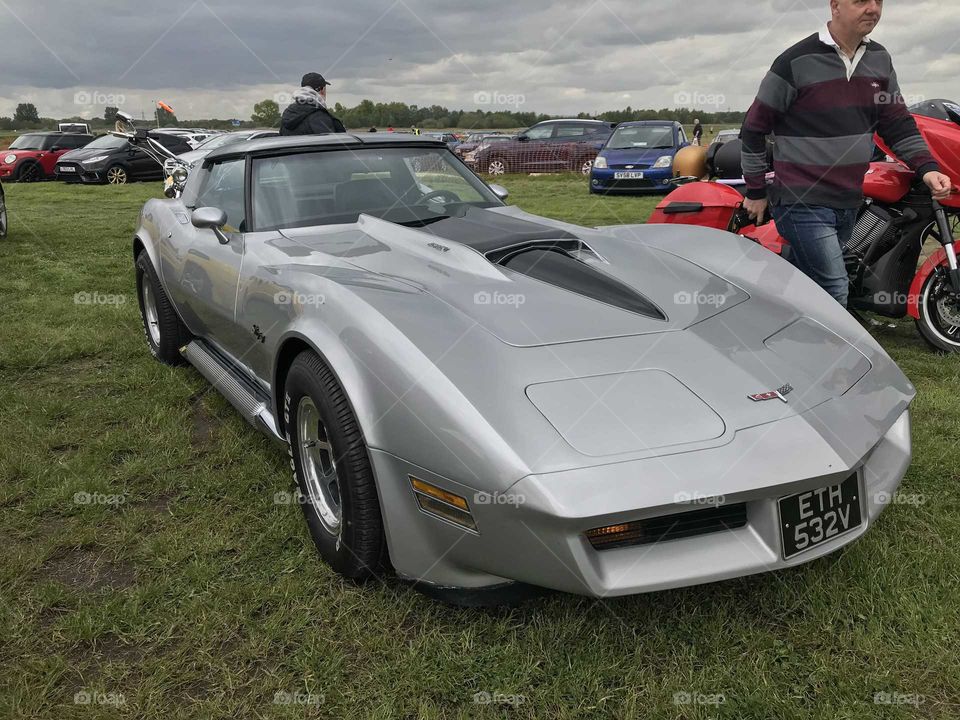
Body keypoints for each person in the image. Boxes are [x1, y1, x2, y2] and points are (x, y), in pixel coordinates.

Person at [741, 0, 952, 307]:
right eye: (860, 1)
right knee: (834, 288)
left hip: (848, 200)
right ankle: (827, 355)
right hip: (801, 199)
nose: (873, 9)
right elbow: (753, 127)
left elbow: (897, 124)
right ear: (835, 5)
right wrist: (756, 190)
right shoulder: (795, 60)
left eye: (878, 1)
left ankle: (767, 316)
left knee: (805, 279)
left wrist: (927, 168)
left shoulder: (880, 59)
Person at [279, 72, 346, 136]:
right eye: (325, 90)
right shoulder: (320, 117)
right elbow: (329, 145)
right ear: (321, 90)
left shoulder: (287, 114)